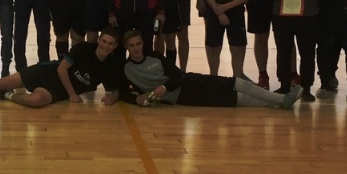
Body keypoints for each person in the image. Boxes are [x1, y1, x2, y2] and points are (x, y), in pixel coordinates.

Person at [119, 30, 301, 109]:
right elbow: (122, 92)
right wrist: (136, 99)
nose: (136, 48)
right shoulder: (126, 70)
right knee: (233, 99)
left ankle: (281, 99)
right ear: (126, 47)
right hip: (183, 97)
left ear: (143, 44)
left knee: (232, 82)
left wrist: (165, 87)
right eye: (131, 45)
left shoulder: (156, 57)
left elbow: (177, 76)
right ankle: (281, 101)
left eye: (138, 44)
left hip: (189, 80)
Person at [0, 29, 123, 108]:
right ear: (99, 40)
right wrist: (73, 94)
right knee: (2, 82)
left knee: (36, 101)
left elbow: (116, 88)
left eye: (110, 44)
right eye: (104, 41)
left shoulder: (110, 66)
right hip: (48, 73)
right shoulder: (83, 48)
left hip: (56, 91)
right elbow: (62, 69)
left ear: (115, 46)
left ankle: (5, 95)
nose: (105, 46)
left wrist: (112, 98)